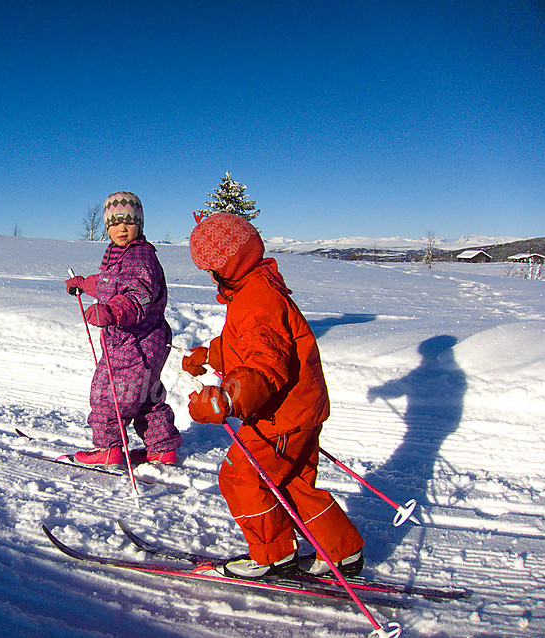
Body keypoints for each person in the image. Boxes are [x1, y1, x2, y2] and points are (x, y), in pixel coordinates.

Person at [184, 212, 364, 580]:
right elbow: (250, 343)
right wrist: (210, 355)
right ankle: (343, 552)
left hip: (278, 415)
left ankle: (272, 555)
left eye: (210, 268)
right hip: (302, 409)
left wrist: (227, 400)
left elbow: (265, 366)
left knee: (241, 478)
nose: (209, 276)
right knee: (292, 483)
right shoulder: (259, 287)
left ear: (225, 266)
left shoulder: (256, 300)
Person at [65, 191, 181, 465]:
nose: (121, 229)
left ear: (139, 224)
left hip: (135, 342)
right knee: (145, 395)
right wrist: (83, 284)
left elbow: (137, 294)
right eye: (115, 224)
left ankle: (109, 447)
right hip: (145, 341)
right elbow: (110, 282)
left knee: (110, 392)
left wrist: (113, 312)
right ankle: (162, 447)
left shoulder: (139, 257)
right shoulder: (120, 255)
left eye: (128, 222)